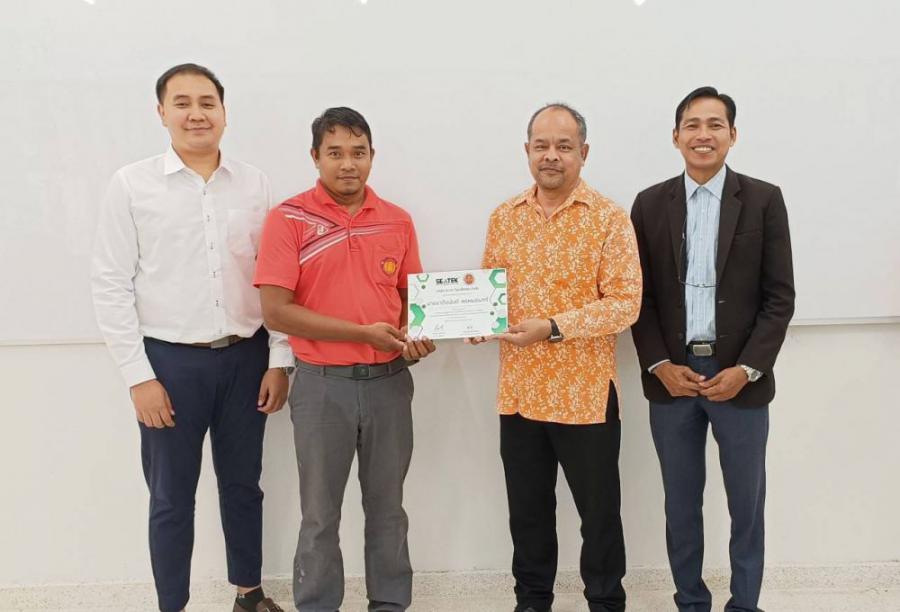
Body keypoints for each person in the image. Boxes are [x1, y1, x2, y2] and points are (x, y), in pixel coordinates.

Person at [90, 63, 291, 612]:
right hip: (169, 366)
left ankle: (249, 594)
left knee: (244, 485)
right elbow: (110, 283)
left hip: (247, 359)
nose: (196, 113)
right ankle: (172, 605)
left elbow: (275, 278)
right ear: (162, 113)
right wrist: (139, 378)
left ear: (224, 112)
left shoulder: (255, 183)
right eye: (182, 103)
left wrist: (280, 358)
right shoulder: (132, 185)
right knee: (171, 496)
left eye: (207, 102)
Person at [254, 107, 435, 612]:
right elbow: (276, 310)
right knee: (319, 515)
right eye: (335, 153)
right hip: (320, 387)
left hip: (389, 383)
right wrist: (362, 333)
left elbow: (412, 300)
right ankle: (317, 605)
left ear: (373, 156)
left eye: (358, 152)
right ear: (315, 157)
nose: (348, 164)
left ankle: (390, 604)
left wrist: (417, 335)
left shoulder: (397, 220)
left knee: (388, 509)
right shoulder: (288, 219)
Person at [471, 103, 642, 612]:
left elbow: (625, 303)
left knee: (600, 518)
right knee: (527, 516)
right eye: (541, 145)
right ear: (527, 151)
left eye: (564, 146)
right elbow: (490, 294)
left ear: (583, 153)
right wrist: (476, 321)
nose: (551, 155)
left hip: (584, 397)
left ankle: (606, 602)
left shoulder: (609, 218)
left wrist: (552, 328)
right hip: (520, 396)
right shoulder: (504, 217)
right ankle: (532, 602)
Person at [630, 86, 795, 612]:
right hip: (673, 381)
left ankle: (744, 604)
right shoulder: (649, 204)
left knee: (746, 505)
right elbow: (640, 297)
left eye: (715, 125)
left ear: (733, 135)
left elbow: (779, 297)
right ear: (676, 136)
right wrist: (660, 364)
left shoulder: (764, 199)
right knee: (681, 505)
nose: (703, 135)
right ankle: (690, 602)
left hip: (739, 381)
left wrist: (747, 368)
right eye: (693, 125)